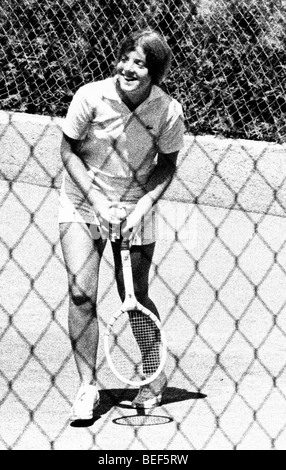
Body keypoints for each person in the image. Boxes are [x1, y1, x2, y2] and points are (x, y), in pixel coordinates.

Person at [59, 29, 185, 421]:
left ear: (155, 73)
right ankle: (87, 388)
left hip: (136, 204)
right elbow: (67, 150)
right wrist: (97, 201)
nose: (128, 68)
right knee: (82, 293)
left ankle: (152, 376)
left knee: (135, 295)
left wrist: (140, 208)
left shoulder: (168, 111)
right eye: (125, 58)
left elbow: (166, 164)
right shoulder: (90, 96)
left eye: (140, 63)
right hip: (83, 201)